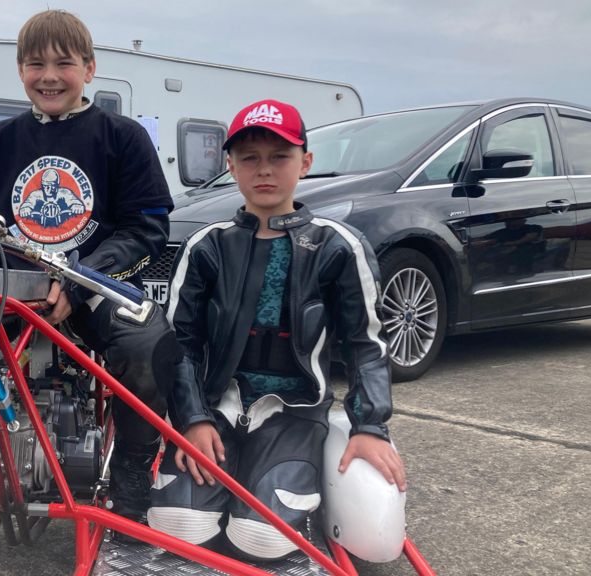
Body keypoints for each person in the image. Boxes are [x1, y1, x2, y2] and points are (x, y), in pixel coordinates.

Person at [148, 98, 406, 560]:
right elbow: (179, 344)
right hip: (217, 408)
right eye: (249, 158)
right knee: (178, 526)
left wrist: (370, 426)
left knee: (261, 540)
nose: (263, 170)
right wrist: (191, 420)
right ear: (231, 166)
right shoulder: (206, 246)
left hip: (295, 412)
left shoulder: (339, 247)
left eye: (279, 156)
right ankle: (223, 474)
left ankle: (270, 481)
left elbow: (367, 344)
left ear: (304, 162)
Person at [0, 10, 180, 523]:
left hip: (96, 287)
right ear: (20, 71)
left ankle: (130, 484)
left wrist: (82, 281)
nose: (49, 76)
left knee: (148, 348)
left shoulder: (123, 137)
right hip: (11, 291)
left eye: (64, 62)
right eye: (36, 64)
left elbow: (147, 228)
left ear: (90, 68)